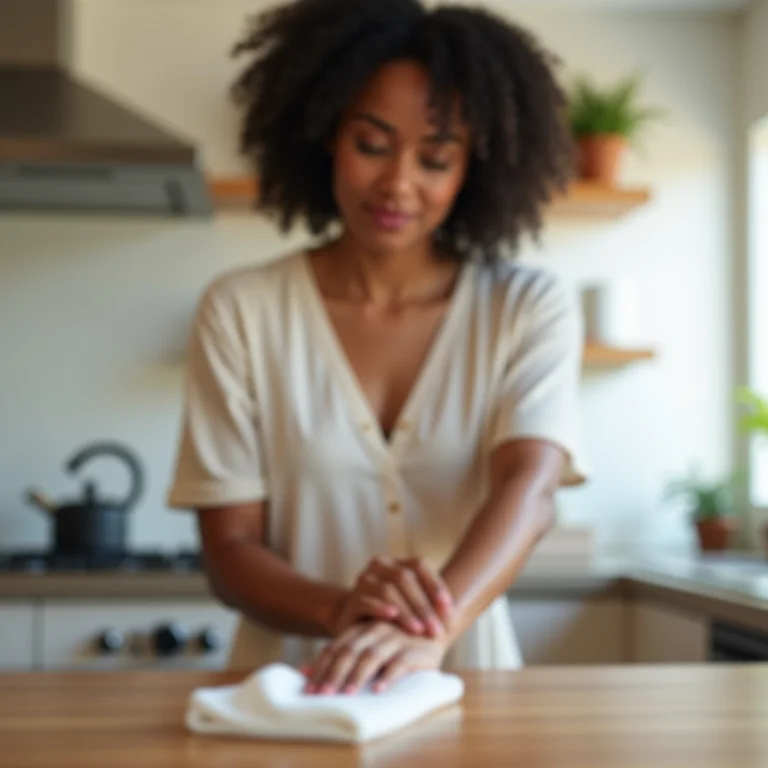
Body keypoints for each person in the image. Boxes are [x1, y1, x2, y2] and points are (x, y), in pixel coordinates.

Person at [167, 0, 588, 696]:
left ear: (472, 170)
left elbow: (531, 488)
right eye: (372, 143)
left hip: (470, 692)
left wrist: (425, 638)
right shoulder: (241, 310)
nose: (398, 183)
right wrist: (342, 611)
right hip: (294, 692)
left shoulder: (526, 307)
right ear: (325, 136)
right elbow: (230, 550)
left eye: (436, 157)